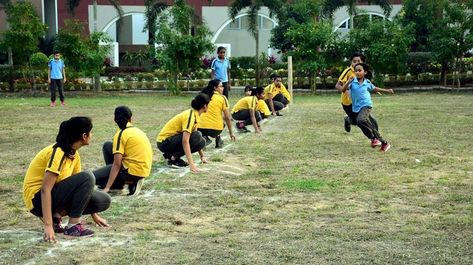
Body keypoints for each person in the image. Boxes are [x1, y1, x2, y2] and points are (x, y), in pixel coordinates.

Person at [23, 117, 110, 242]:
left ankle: (55, 218)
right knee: (88, 176)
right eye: (91, 132)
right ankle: (73, 227)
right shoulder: (58, 152)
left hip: (53, 196)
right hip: (36, 201)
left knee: (103, 201)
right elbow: (45, 190)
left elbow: (82, 190)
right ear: (84, 136)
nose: (92, 135)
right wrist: (47, 226)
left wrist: (94, 215)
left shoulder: (74, 154)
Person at [93, 106, 153, 196]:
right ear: (131, 119)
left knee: (92, 177)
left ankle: (131, 181)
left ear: (114, 119)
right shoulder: (137, 130)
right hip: (144, 168)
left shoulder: (121, 134)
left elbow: (117, 165)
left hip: (132, 172)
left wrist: (107, 187)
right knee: (108, 146)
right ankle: (118, 184)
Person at [342, 63, 394, 152]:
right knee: (359, 123)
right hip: (356, 107)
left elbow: (375, 89)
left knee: (361, 120)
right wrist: (348, 82)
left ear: (365, 72)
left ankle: (382, 141)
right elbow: (343, 90)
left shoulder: (367, 82)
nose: (357, 72)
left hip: (366, 105)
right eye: (356, 71)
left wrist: (387, 90)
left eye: (359, 70)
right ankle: (375, 139)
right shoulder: (352, 82)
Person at [157, 93, 209, 172]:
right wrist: (192, 164)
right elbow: (185, 141)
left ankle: (172, 156)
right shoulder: (190, 116)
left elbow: (195, 137)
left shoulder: (195, 115)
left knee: (201, 142)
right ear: (205, 106)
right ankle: (173, 158)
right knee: (198, 135)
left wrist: (202, 156)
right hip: (164, 142)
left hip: (172, 141)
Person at [335, 52, 378, 133]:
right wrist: (346, 91)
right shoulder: (348, 71)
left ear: (362, 62)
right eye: (354, 61)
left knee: (368, 119)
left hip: (360, 102)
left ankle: (376, 137)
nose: (356, 63)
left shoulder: (363, 70)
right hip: (348, 103)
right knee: (356, 122)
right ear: (351, 62)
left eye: (358, 61)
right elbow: (337, 85)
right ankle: (348, 120)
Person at [199, 79, 236, 148]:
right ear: (215, 88)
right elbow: (228, 118)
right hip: (216, 129)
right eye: (221, 86)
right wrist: (231, 133)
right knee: (222, 123)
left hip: (200, 128)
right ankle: (217, 137)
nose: (223, 88)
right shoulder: (222, 98)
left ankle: (204, 138)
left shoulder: (202, 97)